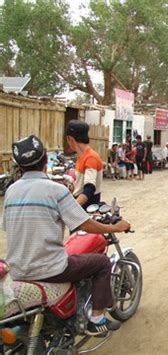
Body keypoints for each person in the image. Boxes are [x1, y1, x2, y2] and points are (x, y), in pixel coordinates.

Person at [2, 135, 131, 336]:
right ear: (46, 161)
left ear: (19, 166)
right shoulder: (56, 190)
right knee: (102, 263)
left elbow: (9, 227)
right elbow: (85, 224)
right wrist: (116, 227)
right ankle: (97, 319)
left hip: (18, 270)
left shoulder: (11, 191)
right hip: (51, 269)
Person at [66, 120, 103, 210]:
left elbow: (89, 188)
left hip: (86, 207)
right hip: (81, 204)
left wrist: (71, 208)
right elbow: (81, 184)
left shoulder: (91, 158)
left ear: (70, 139)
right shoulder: (82, 156)